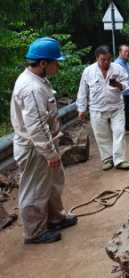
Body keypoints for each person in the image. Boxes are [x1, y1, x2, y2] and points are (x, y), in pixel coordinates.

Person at [10, 37, 77, 244]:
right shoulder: (32, 88)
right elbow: (36, 127)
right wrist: (50, 153)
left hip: (44, 144)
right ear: (43, 63)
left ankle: (55, 218)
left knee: (53, 183)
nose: (58, 65)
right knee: (35, 190)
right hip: (35, 148)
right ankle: (34, 232)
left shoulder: (38, 81)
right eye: (56, 62)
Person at [77, 46, 129, 171]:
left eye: (108, 59)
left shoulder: (118, 69)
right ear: (97, 58)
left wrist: (118, 84)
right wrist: (81, 109)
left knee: (119, 132)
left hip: (116, 107)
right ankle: (107, 159)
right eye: (103, 60)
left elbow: (127, 84)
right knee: (102, 135)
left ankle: (120, 160)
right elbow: (82, 91)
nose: (106, 62)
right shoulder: (88, 71)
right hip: (97, 108)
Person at [114, 44, 129, 135]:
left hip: (127, 92)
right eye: (125, 51)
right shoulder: (117, 64)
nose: (128, 53)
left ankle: (127, 127)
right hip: (121, 93)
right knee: (124, 111)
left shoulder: (126, 62)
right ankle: (123, 129)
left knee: (128, 110)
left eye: (128, 51)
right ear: (120, 52)